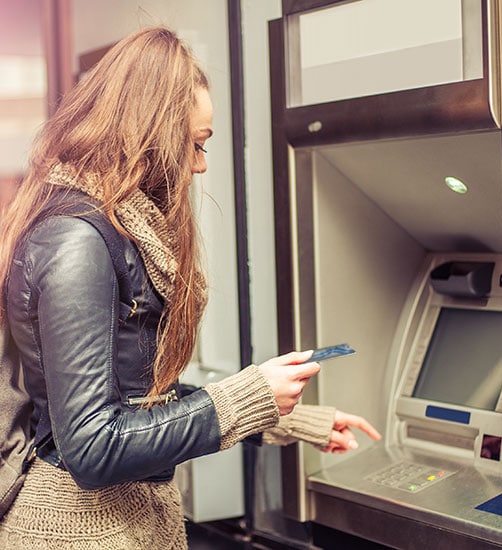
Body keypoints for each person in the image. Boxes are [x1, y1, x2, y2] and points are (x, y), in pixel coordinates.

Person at [0, 26, 381, 549]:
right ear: (148, 135)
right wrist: (248, 395)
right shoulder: (77, 240)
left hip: (120, 523)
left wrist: (283, 416)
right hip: (73, 530)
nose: (200, 165)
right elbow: (91, 446)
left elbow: (135, 402)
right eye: (196, 145)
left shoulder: (111, 229)